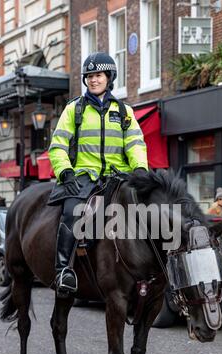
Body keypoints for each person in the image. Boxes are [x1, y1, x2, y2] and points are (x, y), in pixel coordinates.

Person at [48, 52, 148, 297]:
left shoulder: (124, 111)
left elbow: (135, 144)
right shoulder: (74, 109)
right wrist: (65, 172)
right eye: (89, 76)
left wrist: (140, 169)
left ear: (109, 78)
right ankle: (63, 271)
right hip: (84, 177)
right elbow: (58, 145)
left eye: (98, 75)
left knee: (149, 214)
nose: (93, 80)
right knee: (72, 213)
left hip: (119, 177)